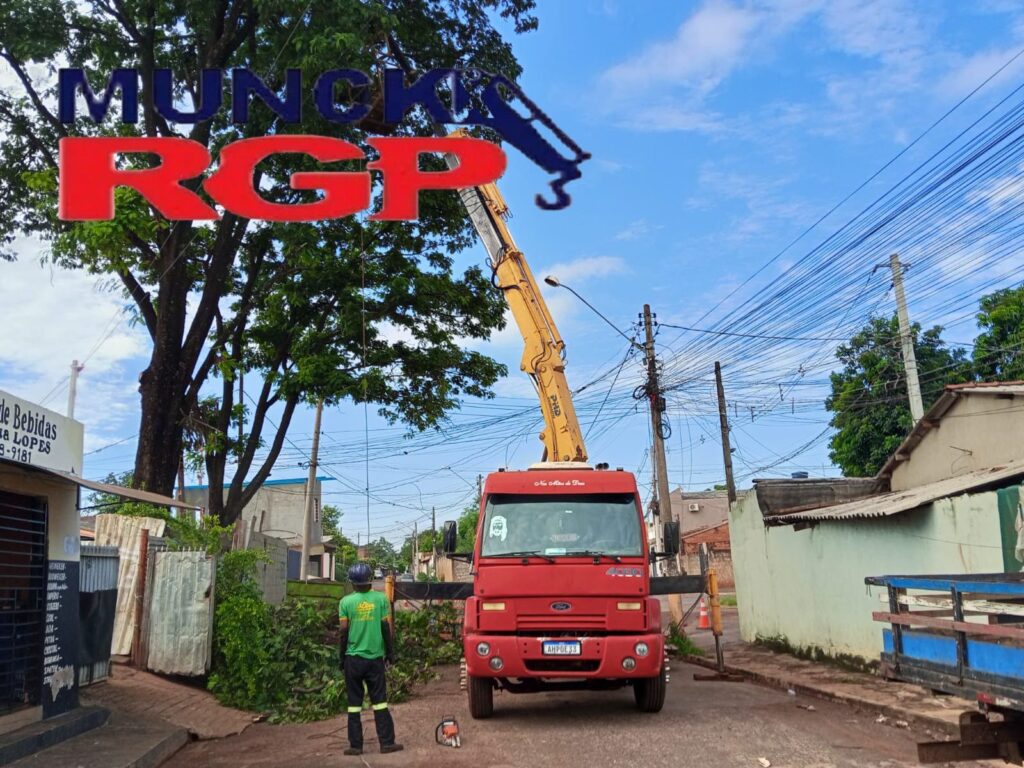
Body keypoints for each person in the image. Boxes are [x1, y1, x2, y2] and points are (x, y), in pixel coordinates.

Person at [338, 563, 403, 756]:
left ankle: (355, 746)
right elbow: (385, 629)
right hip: (375, 660)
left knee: (354, 704)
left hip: (353, 660)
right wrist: (390, 654)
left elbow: (343, 633)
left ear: (352, 582)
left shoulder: (345, 602)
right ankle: (387, 743)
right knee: (380, 702)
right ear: (370, 580)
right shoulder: (380, 599)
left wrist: (341, 658)